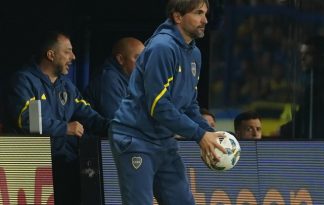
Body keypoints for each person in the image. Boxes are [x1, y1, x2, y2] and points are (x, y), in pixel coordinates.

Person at [109, 0, 226, 204]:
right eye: (198, 13)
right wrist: (200, 136)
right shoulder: (162, 48)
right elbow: (159, 106)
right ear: (178, 17)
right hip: (135, 138)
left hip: (164, 141)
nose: (205, 20)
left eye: (205, 14)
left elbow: (189, 105)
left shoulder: (194, 54)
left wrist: (208, 133)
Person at [6, 31, 109, 204]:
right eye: (67, 51)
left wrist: (121, 128)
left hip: (65, 165)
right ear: (50, 54)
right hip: (33, 168)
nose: (74, 57)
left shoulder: (66, 86)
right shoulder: (24, 81)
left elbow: (91, 117)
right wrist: (65, 128)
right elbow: (29, 122)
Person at [280, 35, 324, 139]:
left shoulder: (323, 84)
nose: (302, 58)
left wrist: (281, 131)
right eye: (302, 54)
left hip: (322, 146)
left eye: (308, 54)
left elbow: (301, 121)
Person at [84, 37, 145, 119]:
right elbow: (117, 121)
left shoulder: (131, 79)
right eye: (138, 58)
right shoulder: (108, 79)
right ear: (120, 59)